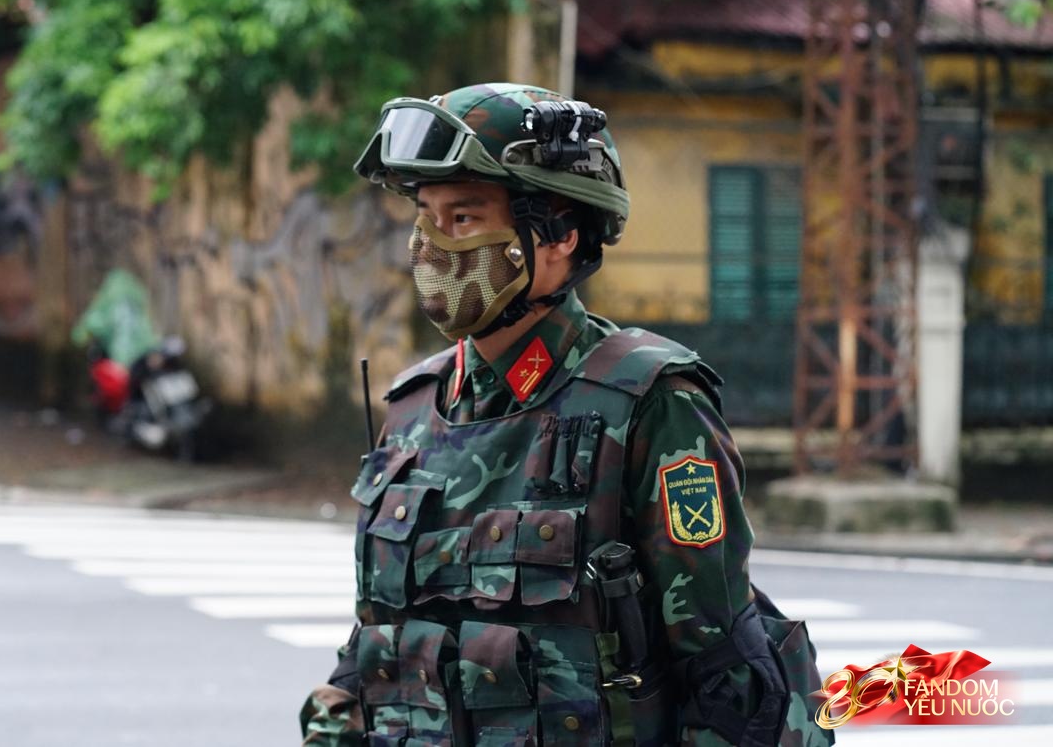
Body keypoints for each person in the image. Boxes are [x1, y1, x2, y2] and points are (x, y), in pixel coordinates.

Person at [300, 83, 831, 746]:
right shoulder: (410, 411)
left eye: (462, 218)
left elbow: (724, 676)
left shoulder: (650, 404)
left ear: (560, 234)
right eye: (424, 216)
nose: (430, 245)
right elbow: (375, 652)